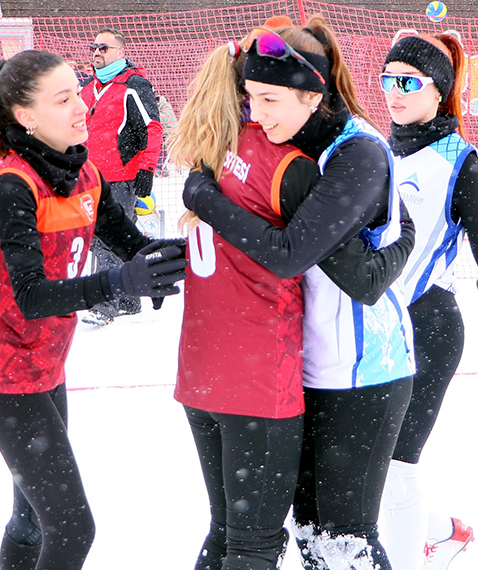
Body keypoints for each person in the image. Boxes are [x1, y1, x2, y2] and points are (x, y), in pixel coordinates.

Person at [172, 28, 416, 570]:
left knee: (344, 538)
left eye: (271, 99)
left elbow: (291, 256)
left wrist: (205, 200)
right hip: (300, 364)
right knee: (309, 536)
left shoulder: (357, 152)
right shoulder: (291, 139)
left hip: (362, 371)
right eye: (251, 98)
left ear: (314, 93)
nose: (257, 115)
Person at [0, 49, 186, 570]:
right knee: (71, 528)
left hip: (46, 369)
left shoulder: (84, 170)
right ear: (27, 117)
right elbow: (31, 296)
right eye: (63, 100)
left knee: (31, 517)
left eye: (77, 93)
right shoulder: (13, 184)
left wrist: (184, 256)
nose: (81, 106)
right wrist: (116, 283)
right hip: (4, 379)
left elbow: (131, 241)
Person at [376, 34, 478, 570]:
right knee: (374, 461)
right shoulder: (376, 147)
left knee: (398, 462)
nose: (393, 93)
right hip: (380, 326)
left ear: (439, 91)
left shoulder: (460, 162)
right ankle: (447, 530)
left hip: (431, 327)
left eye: (407, 82)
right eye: (386, 80)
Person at [79, 27, 164, 325]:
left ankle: (104, 302)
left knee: (107, 239)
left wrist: (147, 169)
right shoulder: (86, 88)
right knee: (99, 237)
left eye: (104, 48)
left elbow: (152, 128)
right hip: (88, 177)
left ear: (120, 52)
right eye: (94, 47)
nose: (97, 53)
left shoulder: (134, 85)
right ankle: (128, 298)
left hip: (121, 178)